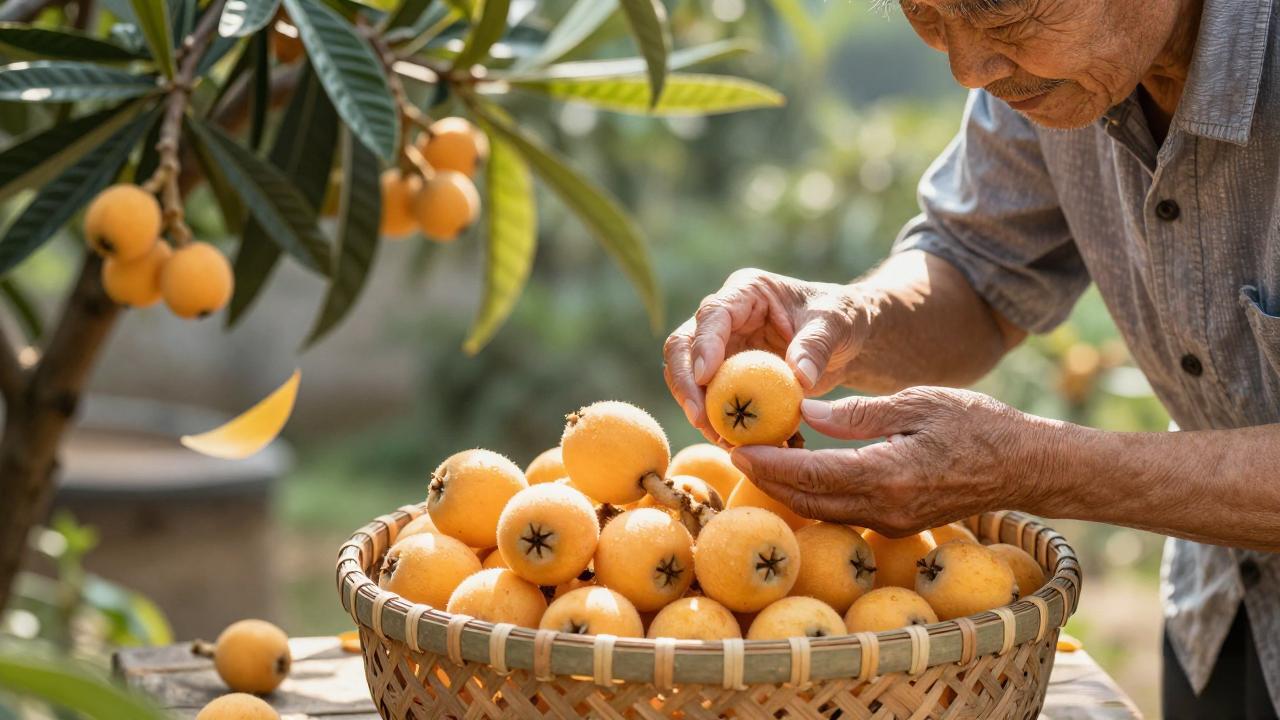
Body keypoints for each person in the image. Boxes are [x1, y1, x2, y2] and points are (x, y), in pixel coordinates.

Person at [663, 0, 1280, 716]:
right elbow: (976, 267)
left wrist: (1039, 465)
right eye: (925, 15)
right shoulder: (1050, 69)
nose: (968, 69)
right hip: (1221, 605)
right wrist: (853, 316)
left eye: (1008, 18)